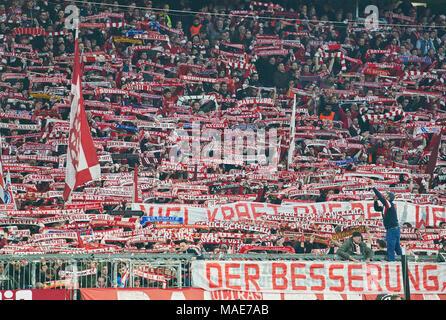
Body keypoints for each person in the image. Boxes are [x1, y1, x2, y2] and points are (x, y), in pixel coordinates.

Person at [370, 179, 402, 261]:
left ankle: (392, 264)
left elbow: (381, 197)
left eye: (386, 195)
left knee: (390, 249)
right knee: (397, 248)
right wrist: (375, 201)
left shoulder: (389, 204)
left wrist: (373, 187)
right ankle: (402, 262)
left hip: (391, 230)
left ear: (389, 197)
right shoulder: (387, 206)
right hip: (395, 229)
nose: (384, 195)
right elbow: (377, 208)